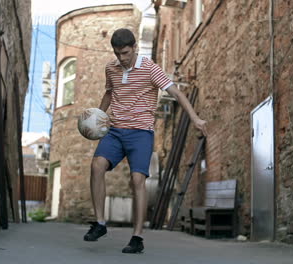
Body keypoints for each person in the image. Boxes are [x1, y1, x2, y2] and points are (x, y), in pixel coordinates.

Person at [83, 28, 208, 253]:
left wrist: (195, 118)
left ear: (134, 48)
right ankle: (100, 223)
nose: (121, 58)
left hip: (141, 132)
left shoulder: (149, 68)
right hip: (115, 131)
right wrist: (97, 119)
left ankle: (137, 237)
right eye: (117, 53)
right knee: (96, 166)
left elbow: (177, 93)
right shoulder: (111, 68)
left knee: (137, 180)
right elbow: (109, 93)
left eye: (125, 53)